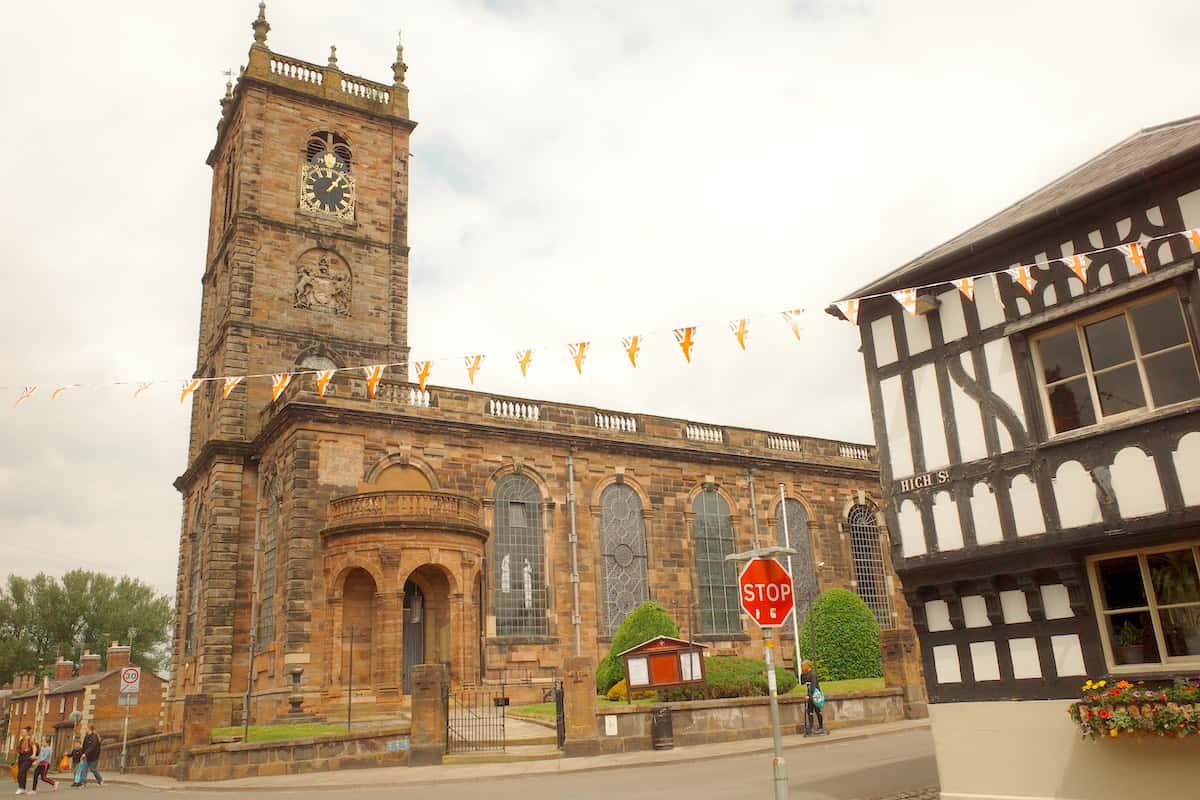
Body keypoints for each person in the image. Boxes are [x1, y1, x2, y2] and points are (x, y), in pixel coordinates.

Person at [800, 659, 828, 736]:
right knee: (809, 711)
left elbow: (813, 686)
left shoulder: (813, 674)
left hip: (815, 695)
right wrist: (802, 674)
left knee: (817, 710)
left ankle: (821, 727)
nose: (802, 668)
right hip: (810, 694)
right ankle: (811, 727)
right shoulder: (806, 674)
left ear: (807, 666)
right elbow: (802, 683)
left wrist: (809, 696)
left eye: (803, 666)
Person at [14, 726, 36, 795]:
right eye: (21, 732)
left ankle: (21, 788)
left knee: (21, 772)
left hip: (28, 757)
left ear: (27, 732)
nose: (22, 733)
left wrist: (34, 755)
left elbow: (34, 747)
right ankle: (23, 788)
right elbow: (19, 749)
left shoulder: (30, 739)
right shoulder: (21, 740)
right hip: (21, 757)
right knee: (20, 773)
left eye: (23, 732)